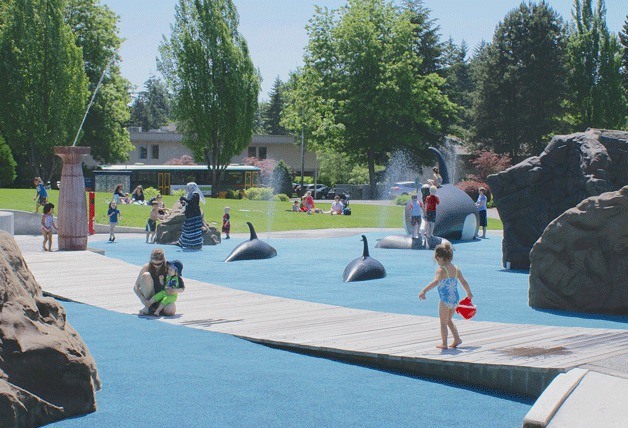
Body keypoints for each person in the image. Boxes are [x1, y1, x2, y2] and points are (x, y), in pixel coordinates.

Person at [418, 243, 473, 349]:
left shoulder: (441, 270)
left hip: (445, 300)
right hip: (455, 299)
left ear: (439, 258)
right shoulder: (456, 269)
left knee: (443, 322)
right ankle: (457, 339)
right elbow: (463, 281)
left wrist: (424, 290)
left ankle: (444, 343)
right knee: (448, 320)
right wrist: (469, 293)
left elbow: (435, 282)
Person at [134, 249, 180, 316]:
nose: (156, 266)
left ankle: (155, 309)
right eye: (153, 263)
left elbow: (178, 283)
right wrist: (143, 300)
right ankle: (149, 306)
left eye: (159, 264)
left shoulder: (169, 268)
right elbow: (136, 287)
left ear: (163, 260)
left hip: (163, 297)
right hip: (149, 297)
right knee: (146, 275)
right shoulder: (146, 267)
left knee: (171, 311)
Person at [178, 182, 206, 249]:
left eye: (188, 187)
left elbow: (191, 202)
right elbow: (188, 203)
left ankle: (196, 244)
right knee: (187, 229)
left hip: (194, 215)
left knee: (194, 230)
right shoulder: (190, 194)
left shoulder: (195, 194)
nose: (187, 188)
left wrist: (183, 198)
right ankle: (185, 243)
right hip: (189, 215)